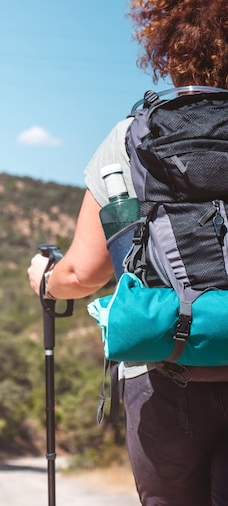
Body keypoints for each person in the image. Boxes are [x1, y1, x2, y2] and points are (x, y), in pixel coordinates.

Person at [26, 1, 228, 505]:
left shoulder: (130, 138)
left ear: (167, 48)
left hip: (164, 372)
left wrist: (46, 280)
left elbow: (85, 272)